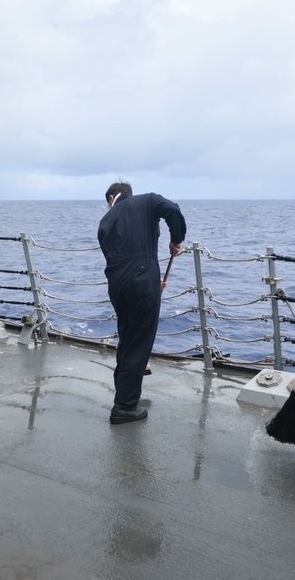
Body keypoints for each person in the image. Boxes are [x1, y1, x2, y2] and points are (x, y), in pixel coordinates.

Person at [98, 181, 186, 424]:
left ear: (111, 198)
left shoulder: (105, 220)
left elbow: (117, 257)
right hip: (142, 280)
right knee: (138, 343)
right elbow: (172, 209)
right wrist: (176, 240)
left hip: (117, 284)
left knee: (127, 339)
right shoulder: (147, 200)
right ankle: (124, 406)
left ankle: (123, 396)